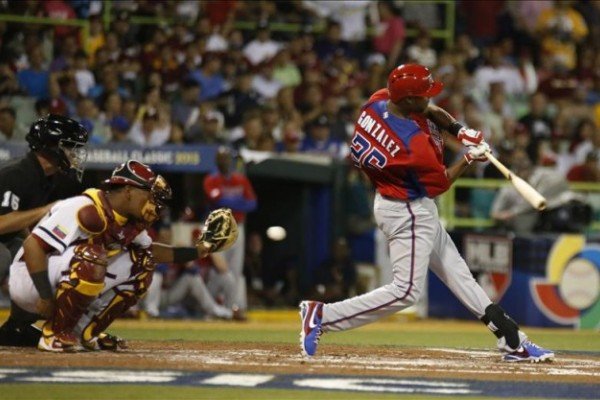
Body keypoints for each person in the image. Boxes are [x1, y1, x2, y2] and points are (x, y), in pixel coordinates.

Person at [299, 64, 555, 363]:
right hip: (407, 210)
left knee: (459, 275)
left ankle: (511, 338)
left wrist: (460, 131)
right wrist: (469, 158)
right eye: (421, 96)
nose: (428, 99)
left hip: (404, 202)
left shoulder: (378, 102)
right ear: (407, 101)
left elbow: (432, 111)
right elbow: (440, 183)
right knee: (406, 291)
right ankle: (323, 315)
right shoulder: (411, 146)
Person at [0, 160, 237, 351]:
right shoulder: (84, 207)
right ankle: (54, 335)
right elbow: (33, 246)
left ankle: (83, 333)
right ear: (128, 191)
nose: (154, 205)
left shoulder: (127, 220)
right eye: (150, 197)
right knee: (92, 257)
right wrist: (44, 295)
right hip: (29, 279)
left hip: (63, 272)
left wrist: (201, 249)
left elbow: (153, 252)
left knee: (143, 263)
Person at [0, 114, 88, 300]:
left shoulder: (45, 176)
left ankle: (18, 325)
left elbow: (19, 217)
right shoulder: (17, 173)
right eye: (69, 146)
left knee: (43, 260)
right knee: (2, 257)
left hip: (7, 239)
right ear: (51, 147)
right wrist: (47, 209)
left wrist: (36, 243)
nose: (74, 153)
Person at [203, 147, 257, 311]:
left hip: (237, 227)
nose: (224, 161)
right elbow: (216, 201)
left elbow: (252, 203)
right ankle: (212, 307)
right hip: (219, 227)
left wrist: (229, 201)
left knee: (235, 271)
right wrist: (237, 202)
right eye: (221, 158)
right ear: (217, 160)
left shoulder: (240, 180)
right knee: (220, 270)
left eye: (227, 158)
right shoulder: (210, 179)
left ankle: (231, 308)